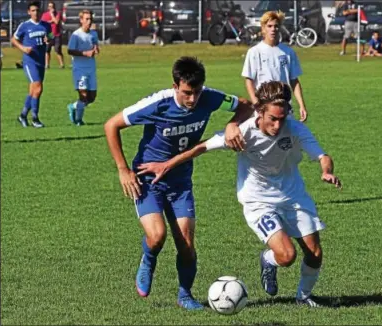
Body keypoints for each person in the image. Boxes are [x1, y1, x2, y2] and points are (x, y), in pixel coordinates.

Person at [137, 81, 342, 308]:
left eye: (282, 118)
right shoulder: (243, 132)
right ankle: (268, 260)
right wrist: (166, 165)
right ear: (259, 112)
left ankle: (303, 297)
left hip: (294, 196)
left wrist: (326, 171)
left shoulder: (294, 129)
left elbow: (323, 156)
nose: (277, 125)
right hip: (258, 201)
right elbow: (201, 147)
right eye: (272, 118)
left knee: (314, 253)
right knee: (287, 256)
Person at [104, 56, 254, 310]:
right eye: (186, 93)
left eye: (196, 92)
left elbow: (246, 105)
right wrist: (122, 169)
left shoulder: (211, 97)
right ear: (175, 85)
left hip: (181, 181)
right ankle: (149, 258)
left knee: (186, 244)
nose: (193, 99)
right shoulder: (158, 103)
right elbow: (111, 125)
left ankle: (185, 295)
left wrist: (231, 124)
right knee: (157, 236)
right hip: (147, 179)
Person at [242, 11, 308, 122]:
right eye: (269, 26)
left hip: (284, 106)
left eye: (276, 26)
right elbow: (249, 81)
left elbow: (294, 81)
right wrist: (256, 103)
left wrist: (302, 105)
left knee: (286, 137)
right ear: (263, 28)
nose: (273, 29)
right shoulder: (254, 52)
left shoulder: (288, 52)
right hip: (264, 107)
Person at [12, 1, 53, 128]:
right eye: (33, 10)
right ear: (29, 12)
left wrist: (49, 40)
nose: (36, 13)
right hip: (30, 61)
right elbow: (13, 39)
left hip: (40, 61)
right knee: (38, 87)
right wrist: (23, 48)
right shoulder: (25, 26)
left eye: (37, 10)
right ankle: (35, 118)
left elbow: (50, 37)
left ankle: (23, 115)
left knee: (34, 91)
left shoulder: (46, 25)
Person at [67, 10, 100, 126]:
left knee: (92, 97)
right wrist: (85, 53)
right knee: (83, 95)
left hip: (91, 68)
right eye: (86, 19)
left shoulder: (93, 34)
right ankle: (79, 120)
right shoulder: (76, 35)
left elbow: (95, 45)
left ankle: (73, 106)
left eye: (90, 19)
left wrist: (96, 49)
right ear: (81, 20)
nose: (89, 21)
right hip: (79, 69)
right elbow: (70, 50)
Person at [41, 1, 65, 69]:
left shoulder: (57, 14)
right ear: (48, 7)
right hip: (50, 34)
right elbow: (43, 23)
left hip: (57, 34)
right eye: (50, 6)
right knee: (47, 49)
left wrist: (52, 16)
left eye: (53, 6)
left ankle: (62, 64)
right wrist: (50, 21)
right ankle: (47, 64)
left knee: (57, 49)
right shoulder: (45, 15)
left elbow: (56, 22)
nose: (52, 8)